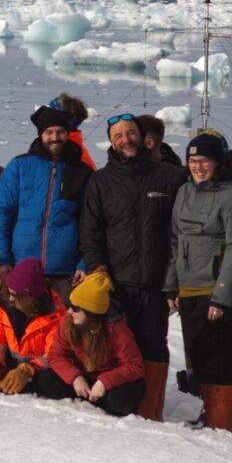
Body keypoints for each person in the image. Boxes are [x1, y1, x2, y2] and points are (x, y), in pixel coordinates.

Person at [78, 112, 183, 420]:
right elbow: (91, 233)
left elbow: (179, 233)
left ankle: (151, 413)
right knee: (117, 350)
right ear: (111, 142)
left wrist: (172, 280)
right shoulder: (101, 181)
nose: (126, 139)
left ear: (142, 135)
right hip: (117, 286)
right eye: (119, 136)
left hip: (154, 283)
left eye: (131, 133)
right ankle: (119, 407)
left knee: (153, 348)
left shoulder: (168, 177)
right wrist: (99, 272)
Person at [167, 133, 232, 435]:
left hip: (220, 289)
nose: (198, 167)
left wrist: (222, 296)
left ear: (217, 163)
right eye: (192, 161)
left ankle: (224, 422)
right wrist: (171, 285)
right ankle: (213, 416)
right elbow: (176, 241)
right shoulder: (184, 193)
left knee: (221, 358)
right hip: (190, 286)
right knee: (199, 356)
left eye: (204, 161)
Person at [0, 106, 88, 293]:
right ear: (40, 134)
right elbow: (1, 215)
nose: (55, 138)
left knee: (64, 322)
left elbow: (91, 223)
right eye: (49, 132)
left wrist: (84, 264)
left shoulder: (81, 171)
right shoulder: (19, 166)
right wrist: (3, 261)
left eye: (61, 132)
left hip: (66, 273)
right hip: (22, 268)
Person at [39, 272, 148, 416]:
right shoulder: (68, 321)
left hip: (110, 384)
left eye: (76, 308)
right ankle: (87, 400)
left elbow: (134, 366)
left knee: (119, 400)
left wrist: (105, 381)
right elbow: (56, 354)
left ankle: (99, 403)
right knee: (46, 380)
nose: (70, 311)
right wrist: (75, 377)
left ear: (91, 312)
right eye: (70, 305)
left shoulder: (117, 329)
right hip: (84, 378)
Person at [0, 259, 63, 395]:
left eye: (15, 295)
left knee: (48, 382)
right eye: (10, 292)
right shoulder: (3, 301)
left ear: (30, 298)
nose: (11, 299)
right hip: (9, 368)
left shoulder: (55, 313)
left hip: (38, 373)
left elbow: (55, 353)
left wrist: (28, 369)